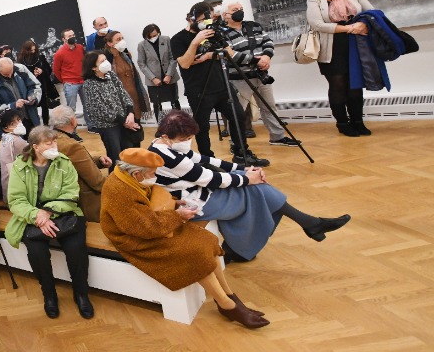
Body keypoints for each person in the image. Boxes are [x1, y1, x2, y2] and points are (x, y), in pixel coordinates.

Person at [149, 110, 350, 262]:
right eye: (184, 139)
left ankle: (310, 224)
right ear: (166, 136)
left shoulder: (163, 144)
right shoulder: (167, 156)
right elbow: (210, 178)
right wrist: (249, 178)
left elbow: (204, 159)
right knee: (255, 188)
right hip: (191, 203)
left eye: (190, 138)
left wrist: (244, 169)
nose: (188, 142)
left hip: (197, 191)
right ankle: (310, 224)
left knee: (253, 185)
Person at [99, 149, 269, 329]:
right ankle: (227, 305)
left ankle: (228, 295)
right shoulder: (119, 190)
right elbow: (143, 228)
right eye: (152, 173)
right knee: (194, 252)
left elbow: (149, 204)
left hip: (150, 225)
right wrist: (178, 216)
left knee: (208, 239)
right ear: (136, 173)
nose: (154, 177)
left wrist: (173, 203)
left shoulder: (128, 177)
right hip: (131, 237)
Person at [5, 126, 92, 319]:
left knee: (76, 250)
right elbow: (16, 200)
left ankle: (81, 294)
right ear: (35, 147)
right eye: (48, 143)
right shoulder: (20, 166)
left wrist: (48, 212)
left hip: (64, 213)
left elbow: (71, 194)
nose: (54, 146)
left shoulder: (64, 163)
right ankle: (49, 294)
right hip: (33, 216)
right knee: (37, 253)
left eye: (55, 142)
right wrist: (37, 216)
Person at [170, 1, 269, 166]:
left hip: (222, 85)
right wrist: (195, 42)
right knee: (202, 126)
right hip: (198, 90)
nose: (206, 23)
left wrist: (209, 56)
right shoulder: (178, 39)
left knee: (238, 116)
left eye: (209, 18)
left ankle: (241, 153)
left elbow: (228, 53)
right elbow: (185, 63)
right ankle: (208, 160)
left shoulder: (213, 33)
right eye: (203, 19)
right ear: (192, 19)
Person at [306, 0, 375, 137]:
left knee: (355, 85)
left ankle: (358, 122)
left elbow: (372, 13)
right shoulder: (315, 1)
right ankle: (342, 123)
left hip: (355, 44)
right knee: (338, 85)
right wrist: (349, 28)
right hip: (331, 48)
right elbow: (317, 24)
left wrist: (362, 24)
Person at [220, 2, 302, 146]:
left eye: (241, 9)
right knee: (237, 113)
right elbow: (230, 54)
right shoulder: (221, 33)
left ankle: (277, 137)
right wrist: (256, 61)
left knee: (269, 107)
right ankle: (236, 144)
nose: (239, 11)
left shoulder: (254, 26)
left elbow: (268, 42)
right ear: (225, 15)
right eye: (235, 10)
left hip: (261, 75)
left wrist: (266, 57)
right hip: (239, 79)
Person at [50, 106, 110, 222]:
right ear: (73, 121)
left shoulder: (48, 140)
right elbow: (97, 181)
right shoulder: (71, 146)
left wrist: (98, 160)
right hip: (84, 203)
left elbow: (73, 162)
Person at [80, 49, 139, 165]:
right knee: (115, 156)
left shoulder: (111, 75)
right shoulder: (89, 84)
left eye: (105, 59)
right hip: (108, 126)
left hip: (124, 119)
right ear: (94, 67)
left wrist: (130, 112)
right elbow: (100, 110)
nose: (106, 63)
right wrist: (124, 121)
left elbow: (124, 93)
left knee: (128, 153)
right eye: (102, 61)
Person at [102, 30, 150, 145]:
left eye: (122, 38)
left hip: (134, 96)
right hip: (120, 100)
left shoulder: (126, 55)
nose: (122, 41)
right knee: (126, 135)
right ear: (110, 43)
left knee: (136, 131)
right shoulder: (106, 60)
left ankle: (137, 153)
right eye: (118, 39)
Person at [0, 56, 42, 137]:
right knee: (19, 145)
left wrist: (33, 96)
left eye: (11, 71)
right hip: (11, 127)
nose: (10, 76)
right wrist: (12, 105)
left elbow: (35, 86)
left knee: (37, 141)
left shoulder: (21, 69)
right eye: (6, 74)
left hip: (30, 118)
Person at [136, 23, 181, 121]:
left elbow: (173, 58)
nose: (153, 38)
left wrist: (169, 75)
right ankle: (160, 125)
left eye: (155, 35)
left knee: (174, 101)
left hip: (169, 77)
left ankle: (180, 123)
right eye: (150, 36)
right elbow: (141, 64)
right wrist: (153, 78)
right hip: (154, 80)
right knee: (157, 104)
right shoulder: (142, 45)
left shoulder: (166, 39)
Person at [17, 39, 59, 125]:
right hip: (29, 86)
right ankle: (36, 124)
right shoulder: (21, 61)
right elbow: (21, 75)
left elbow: (49, 70)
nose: (33, 52)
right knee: (32, 105)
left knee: (44, 105)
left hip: (42, 84)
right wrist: (32, 75)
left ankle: (46, 124)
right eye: (31, 50)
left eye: (34, 49)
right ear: (26, 50)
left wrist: (42, 71)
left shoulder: (40, 58)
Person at [51, 29, 86, 112]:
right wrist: (64, 80)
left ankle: (90, 121)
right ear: (64, 39)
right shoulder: (59, 53)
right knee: (71, 109)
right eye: (69, 36)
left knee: (87, 106)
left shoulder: (80, 47)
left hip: (83, 81)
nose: (72, 37)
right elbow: (56, 70)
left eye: (73, 35)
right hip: (70, 84)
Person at [0, 108, 27, 198]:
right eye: (13, 123)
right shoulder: (17, 141)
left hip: (6, 184)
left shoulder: (5, 137)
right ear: (5, 128)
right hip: (16, 186)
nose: (18, 123)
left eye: (18, 119)